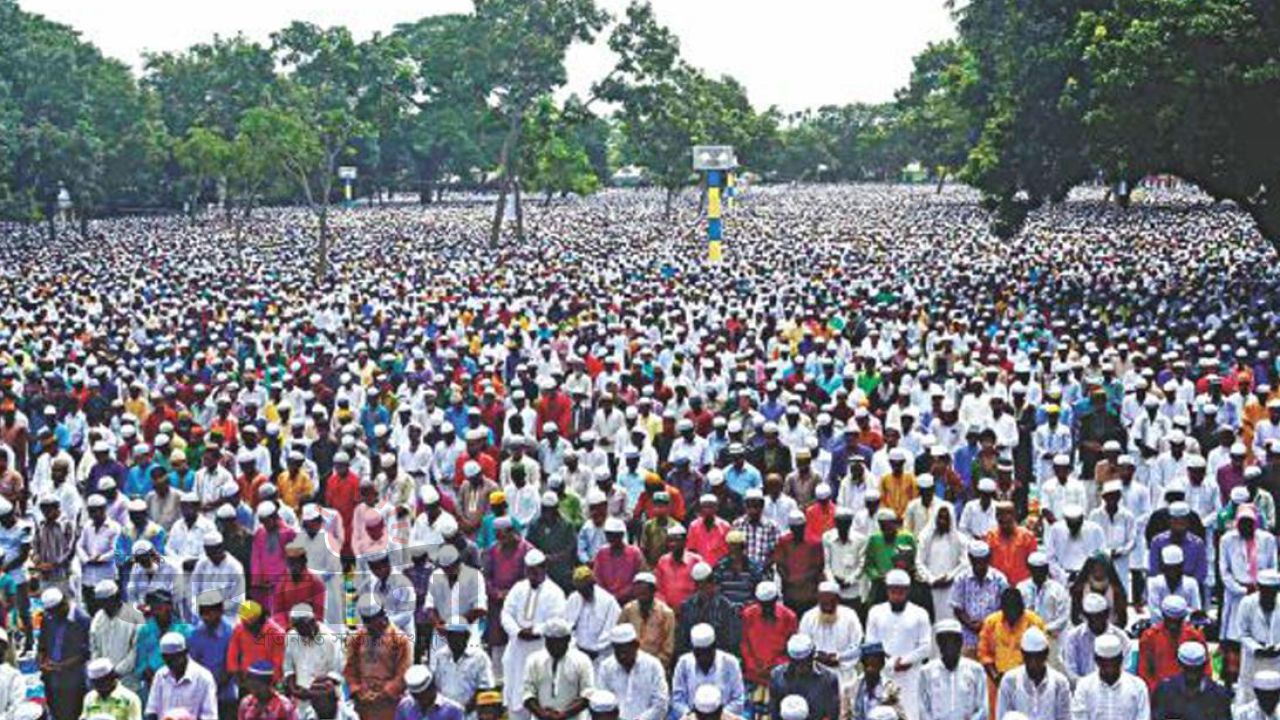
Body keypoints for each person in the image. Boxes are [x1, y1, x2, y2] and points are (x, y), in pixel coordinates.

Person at [500, 549, 567, 720]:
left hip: (541, 650)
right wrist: (517, 631)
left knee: (541, 698)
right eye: (529, 570)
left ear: (544, 568)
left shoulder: (555, 592)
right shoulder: (518, 588)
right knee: (516, 696)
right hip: (517, 649)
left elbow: (557, 621)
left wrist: (536, 631)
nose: (532, 574)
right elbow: (506, 613)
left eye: (536, 569)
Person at [865, 569, 931, 720]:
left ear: (907, 591)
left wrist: (906, 661)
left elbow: (926, 648)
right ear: (887, 590)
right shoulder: (875, 612)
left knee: (910, 714)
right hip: (883, 673)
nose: (896, 595)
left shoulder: (920, 613)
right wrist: (890, 664)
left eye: (900, 591)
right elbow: (870, 645)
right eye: (892, 591)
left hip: (911, 676)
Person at [344, 599, 413, 720]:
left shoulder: (400, 639)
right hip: (363, 701)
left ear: (382, 616)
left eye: (372, 621)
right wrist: (356, 690)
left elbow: (403, 673)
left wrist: (384, 693)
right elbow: (350, 668)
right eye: (366, 621)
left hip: (389, 703)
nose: (369, 626)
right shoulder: (357, 638)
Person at [520, 618, 593, 720]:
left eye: (559, 642)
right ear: (545, 640)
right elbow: (527, 692)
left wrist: (564, 714)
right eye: (551, 642)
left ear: (568, 639)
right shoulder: (533, 660)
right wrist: (541, 714)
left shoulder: (582, 660)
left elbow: (588, 694)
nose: (555, 647)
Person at [282, 604, 344, 720]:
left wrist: (315, 691)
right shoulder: (291, 637)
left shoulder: (331, 639)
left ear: (312, 621)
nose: (300, 631)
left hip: (325, 703)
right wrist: (294, 689)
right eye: (297, 627)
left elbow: (337, 673)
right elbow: (288, 668)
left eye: (302, 627)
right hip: (301, 701)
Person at [671, 624, 746, 720]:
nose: (703, 658)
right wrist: (693, 716)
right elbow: (677, 700)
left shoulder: (730, 663)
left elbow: (738, 700)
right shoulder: (683, 663)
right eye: (699, 654)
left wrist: (718, 716)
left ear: (714, 647)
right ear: (693, 651)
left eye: (707, 653)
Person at [799, 581, 864, 689]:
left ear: (838, 599)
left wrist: (839, 658)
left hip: (844, 675)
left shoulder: (850, 616)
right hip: (816, 675)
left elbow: (857, 645)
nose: (828, 607)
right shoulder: (808, 617)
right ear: (818, 599)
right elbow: (803, 645)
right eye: (824, 603)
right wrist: (818, 656)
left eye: (831, 601)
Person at [995, 627, 1070, 720]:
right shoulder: (1010, 681)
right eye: (1028, 657)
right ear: (1022, 654)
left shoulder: (1059, 683)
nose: (1033, 664)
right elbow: (1002, 716)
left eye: (1038, 657)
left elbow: (1065, 717)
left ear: (1046, 654)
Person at [39, 586, 90, 720]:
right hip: (51, 675)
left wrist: (62, 666)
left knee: (73, 712)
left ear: (64, 604)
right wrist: (42, 661)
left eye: (54, 612)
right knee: (56, 710)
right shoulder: (48, 617)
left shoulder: (82, 619)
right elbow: (42, 642)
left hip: (74, 677)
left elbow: (86, 653)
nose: (51, 616)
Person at [596, 625, 669, 720]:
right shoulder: (606, 667)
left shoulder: (653, 665)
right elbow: (603, 702)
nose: (622, 657)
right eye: (618, 653)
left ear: (636, 645)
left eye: (625, 652)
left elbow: (661, 704)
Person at [1068, 634, 1148, 720]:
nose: (1110, 668)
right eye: (1105, 664)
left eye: (1113, 662)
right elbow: (1078, 717)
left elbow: (1143, 717)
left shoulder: (1137, 686)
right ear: (1097, 660)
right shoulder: (1084, 686)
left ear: (1121, 659)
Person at [920, 620, 987, 720]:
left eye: (954, 640)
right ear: (938, 643)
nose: (949, 645)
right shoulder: (926, 671)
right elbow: (923, 709)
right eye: (944, 641)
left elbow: (983, 708)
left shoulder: (975, 669)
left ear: (961, 642)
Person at [952, 541, 1009, 657]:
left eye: (983, 561)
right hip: (968, 639)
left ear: (988, 558)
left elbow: (1005, 607)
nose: (980, 566)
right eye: (976, 561)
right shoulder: (961, 579)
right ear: (970, 559)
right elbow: (957, 608)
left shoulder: (1000, 579)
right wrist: (971, 625)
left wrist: (986, 624)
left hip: (994, 639)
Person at [1060, 593, 1130, 688]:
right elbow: (1070, 671)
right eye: (1092, 617)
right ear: (1085, 616)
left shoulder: (1121, 637)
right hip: (1082, 691)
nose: (1097, 620)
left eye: (1100, 616)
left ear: (1107, 613)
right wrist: (1091, 689)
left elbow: (1126, 668)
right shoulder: (1073, 637)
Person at [1138, 595, 1206, 693]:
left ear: (1183, 618)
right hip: (1159, 693)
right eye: (1170, 621)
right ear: (1163, 616)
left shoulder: (1195, 636)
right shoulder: (1149, 637)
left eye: (1177, 622)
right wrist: (1158, 694)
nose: (1173, 626)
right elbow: (1144, 672)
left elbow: (1205, 668)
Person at [428, 618, 494, 716]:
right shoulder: (440, 656)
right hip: (444, 714)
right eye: (450, 635)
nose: (452, 639)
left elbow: (485, 688)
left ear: (467, 636)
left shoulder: (479, 657)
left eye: (457, 636)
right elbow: (434, 686)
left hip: (471, 714)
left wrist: (463, 710)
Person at [145, 632, 219, 720]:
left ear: (185, 653)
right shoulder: (160, 676)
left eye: (175, 658)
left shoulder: (203, 678)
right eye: (168, 660)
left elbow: (209, 716)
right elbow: (152, 710)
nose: (172, 664)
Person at [740, 581, 798, 693]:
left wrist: (774, 666)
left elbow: (791, 649)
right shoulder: (748, 615)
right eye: (763, 604)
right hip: (753, 675)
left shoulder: (789, 617)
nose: (766, 608)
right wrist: (753, 664)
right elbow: (744, 643)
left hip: (779, 675)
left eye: (769, 604)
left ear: (776, 600)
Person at [187, 590, 237, 720]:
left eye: (209, 613)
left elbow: (231, 667)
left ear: (220, 611)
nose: (205, 617)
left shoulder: (231, 633)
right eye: (202, 613)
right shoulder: (196, 634)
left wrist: (213, 687)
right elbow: (193, 664)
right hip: (201, 696)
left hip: (226, 696)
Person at [1151, 641, 1230, 720]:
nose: (1192, 677)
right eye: (1189, 670)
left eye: (1195, 670)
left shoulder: (1219, 695)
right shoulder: (1164, 691)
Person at [768, 634, 841, 720]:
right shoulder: (776, 676)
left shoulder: (829, 679)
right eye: (795, 663)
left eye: (805, 663)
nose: (800, 668)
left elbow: (832, 715)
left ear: (812, 657)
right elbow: (774, 713)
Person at [618, 572, 676, 670]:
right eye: (638, 593)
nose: (641, 597)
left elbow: (668, 647)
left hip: (656, 665)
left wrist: (654, 666)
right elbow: (620, 637)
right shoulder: (628, 610)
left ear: (653, 591)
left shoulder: (666, 613)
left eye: (644, 593)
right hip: (629, 664)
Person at [843, 643, 905, 720]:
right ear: (862, 663)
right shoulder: (850, 689)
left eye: (877, 660)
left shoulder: (891, 688)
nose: (872, 663)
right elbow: (844, 716)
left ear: (882, 663)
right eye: (868, 660)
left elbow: (901, 716)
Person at [395, 665, 464, 720]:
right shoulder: (405, 706)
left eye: (424, 694)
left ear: (433, 687)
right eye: (416, 696)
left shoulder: (454, 710)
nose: (421, 699)